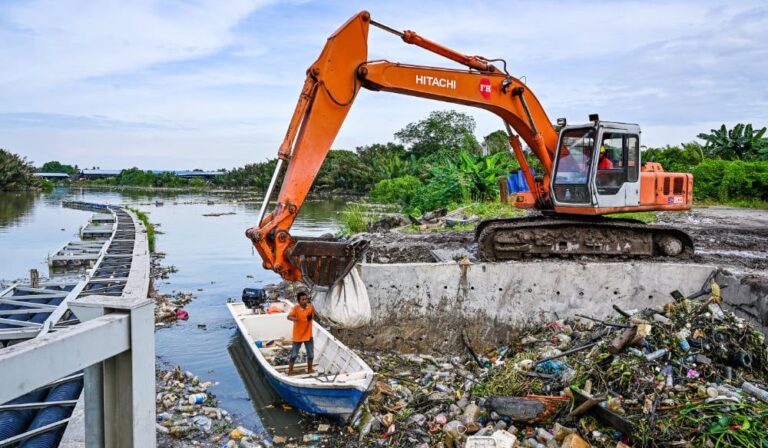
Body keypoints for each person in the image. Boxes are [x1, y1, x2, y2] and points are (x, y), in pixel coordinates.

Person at [287, 291, 314, 375]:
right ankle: (290, 370)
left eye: (306, 299)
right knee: (294, 355)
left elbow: (312, 316)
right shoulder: (296, 308)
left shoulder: (310, 308)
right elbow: (288, 316)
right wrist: (294, 319)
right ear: (299, 301)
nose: (305, 301)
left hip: (308, 335)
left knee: (311, 355)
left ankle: (309, 369)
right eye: (303, 300)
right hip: (298, 336)